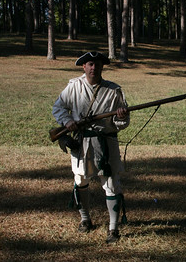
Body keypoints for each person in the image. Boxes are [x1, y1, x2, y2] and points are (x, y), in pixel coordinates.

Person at [52, 51, 130, 244]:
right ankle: (85, 220)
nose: (93, 68)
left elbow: (123, 122)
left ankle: (113, 229)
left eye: (97, 64)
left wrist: (120, 118)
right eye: (90, 64)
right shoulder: (74, 86)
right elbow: (58, 108)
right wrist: (68, 120)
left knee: (111, 184)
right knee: (80, 180)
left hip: (106, 143)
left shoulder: (113, 90)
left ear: (102, 66)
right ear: (83, 67)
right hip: (82, 142)